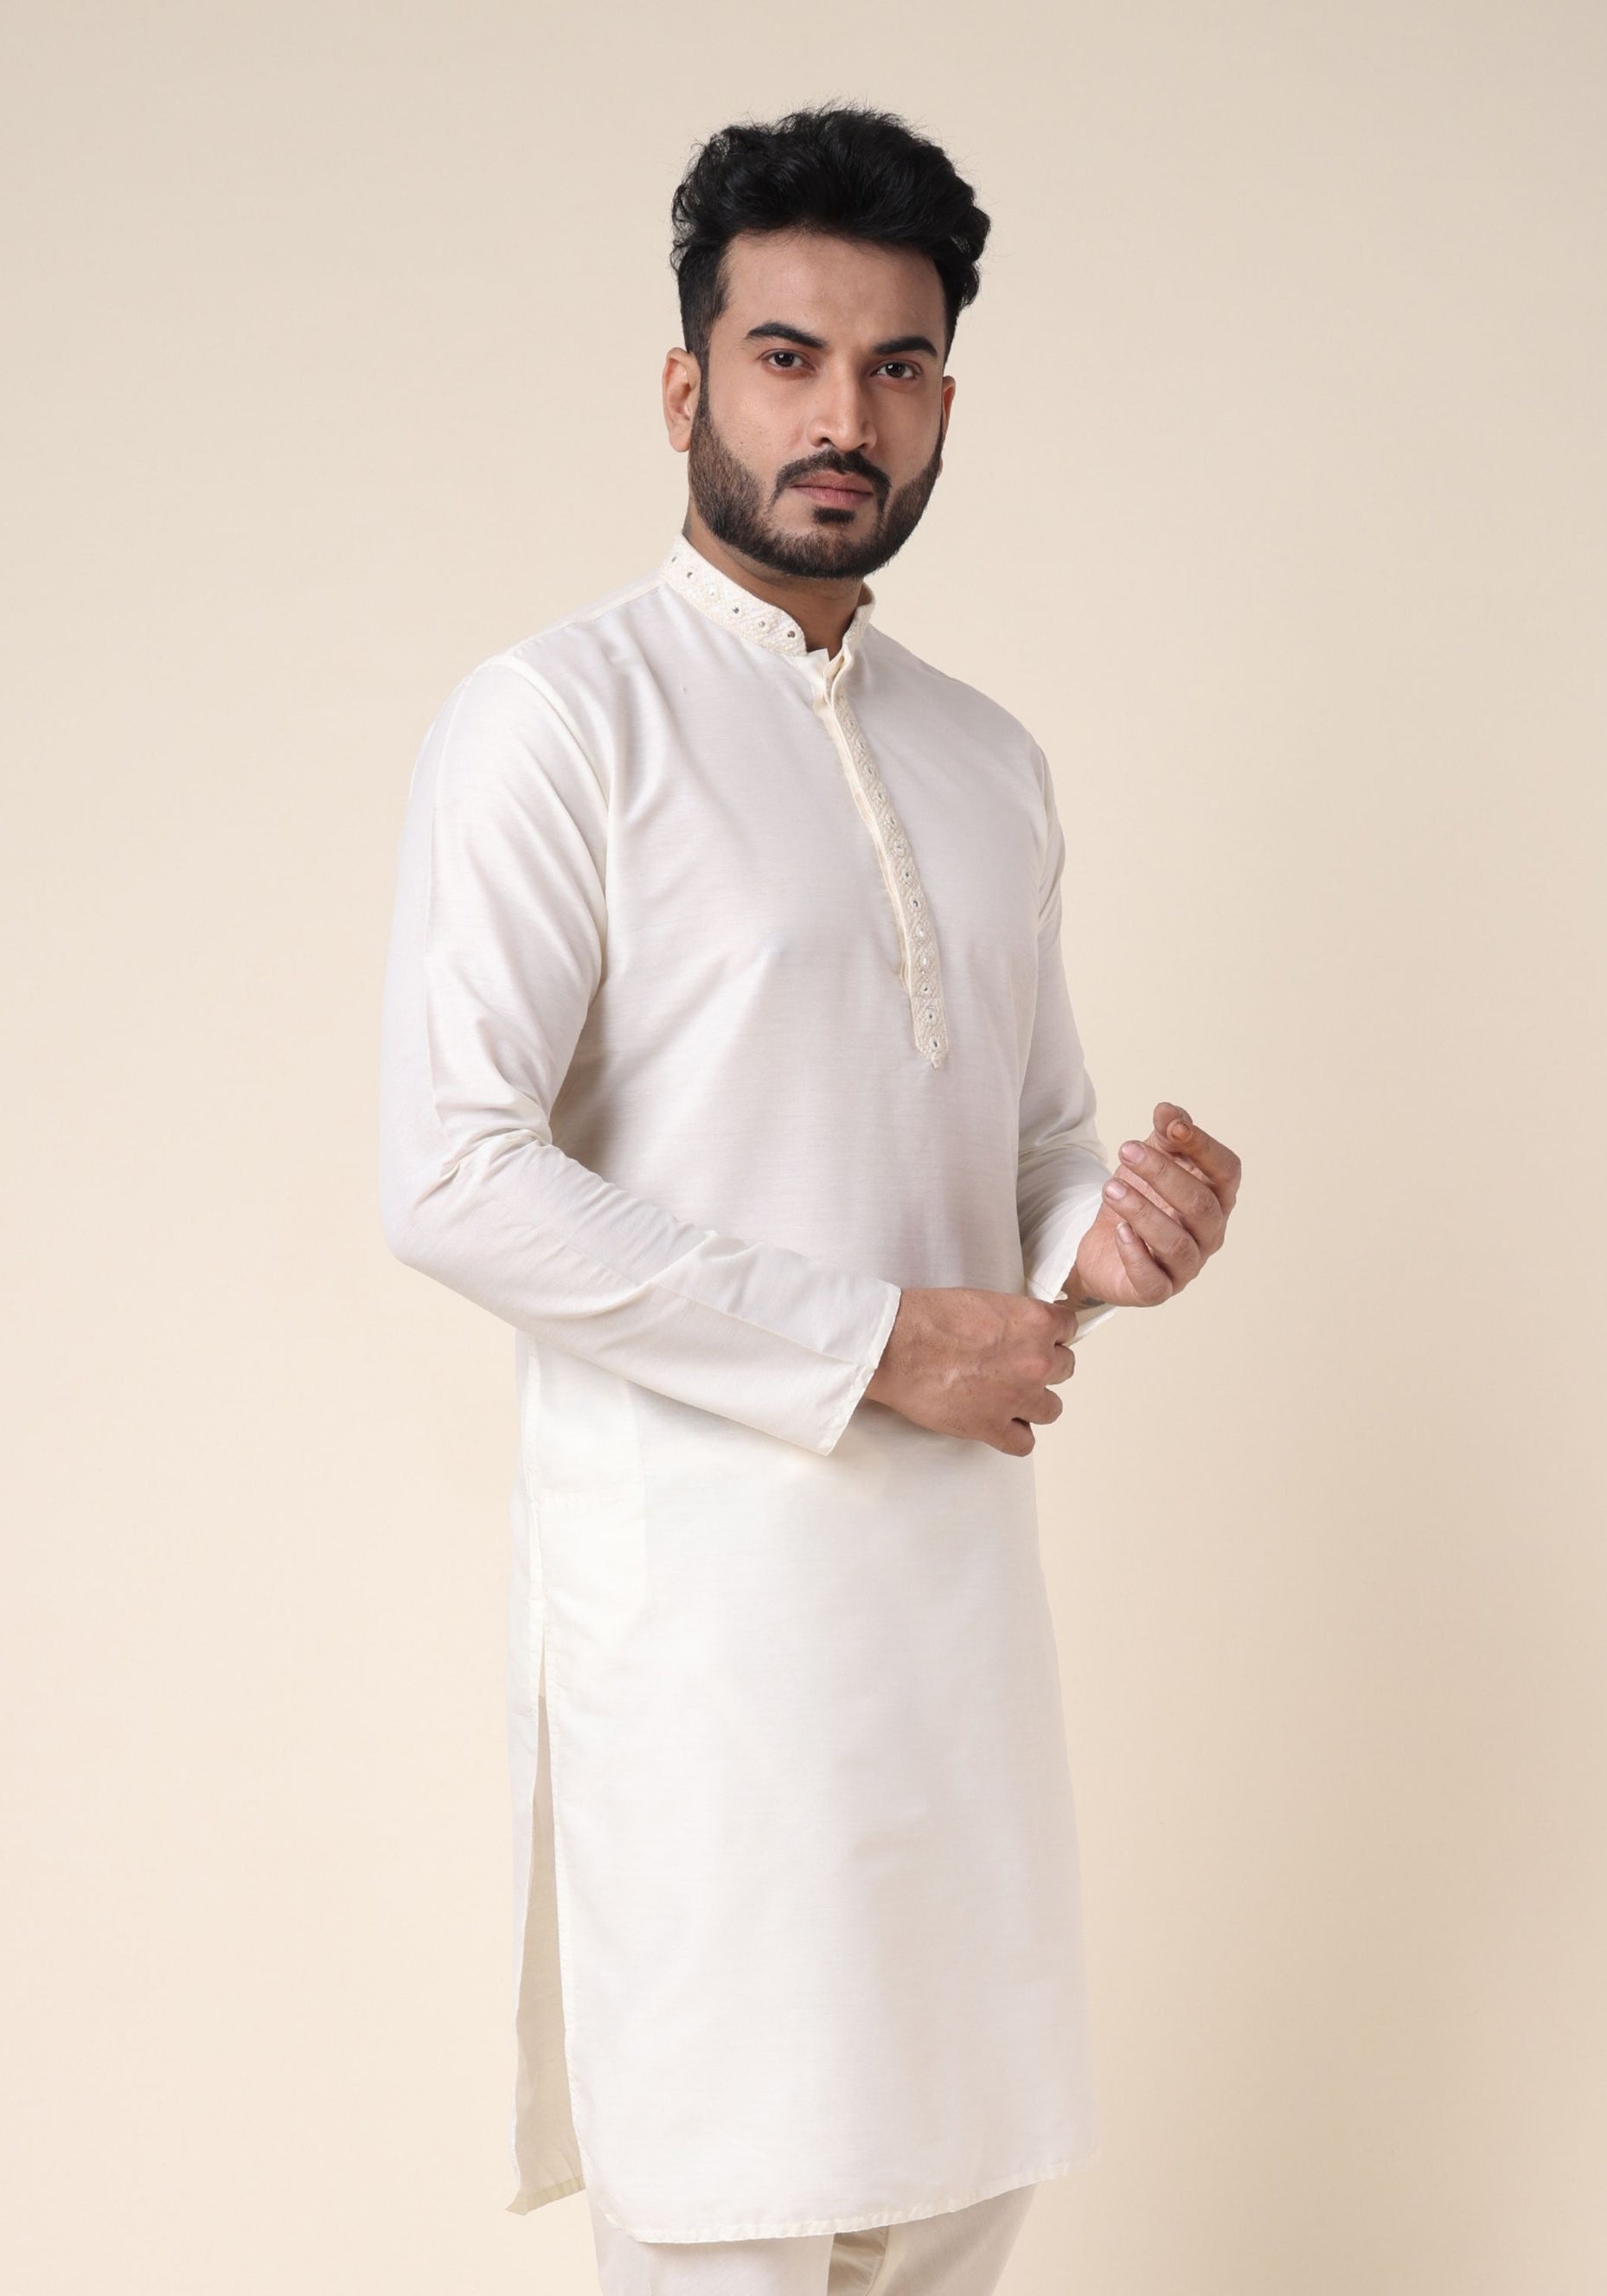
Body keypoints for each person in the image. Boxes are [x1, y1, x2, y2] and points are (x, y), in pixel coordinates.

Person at [377, 101, 1241, 2296]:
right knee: (742, 2219)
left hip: (955, 1640)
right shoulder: (559, 720)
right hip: (706, 1646)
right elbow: (453, 1170)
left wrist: (1103, 1237)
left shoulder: (985, 757)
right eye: (787, 358)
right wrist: (878, 1342)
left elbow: (1032, 1144)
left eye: (896, 364)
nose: (841, 416)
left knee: (953, 2206)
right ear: (686, 387)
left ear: (946, 397)